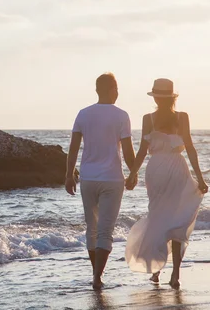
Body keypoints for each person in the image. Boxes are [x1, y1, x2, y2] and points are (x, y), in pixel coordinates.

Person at [124, 78, 208, 289]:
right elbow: (189, 148)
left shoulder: (148, 119)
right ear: (173, 97)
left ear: (156, 98)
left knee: (158, 217)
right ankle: (176, 275)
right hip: (177, 169)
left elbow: (143, 151)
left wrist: (132, 174)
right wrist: (200, 177)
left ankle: (157, 270)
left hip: (156, 170)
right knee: (178, 220)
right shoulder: (182, 117)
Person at [65, 72, 137, 290]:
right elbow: (127, 150)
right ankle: (97, 276)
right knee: (105, 230)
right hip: (112, 179)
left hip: (88, 178)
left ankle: (95, 274)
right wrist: (133, 173)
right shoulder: (121, 115)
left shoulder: (83, 114)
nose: (118, 93)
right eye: (117, 89)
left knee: (92, 229)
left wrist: (69, 175)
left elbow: (74, 147)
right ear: (112, 90)